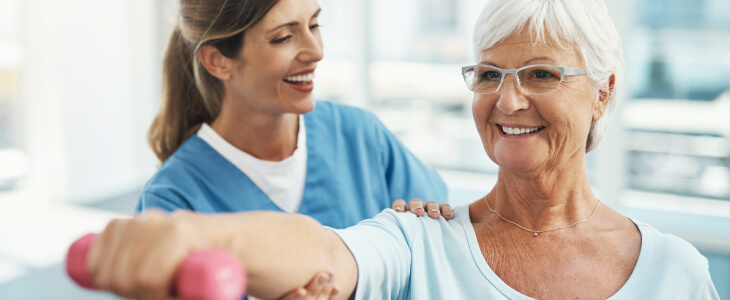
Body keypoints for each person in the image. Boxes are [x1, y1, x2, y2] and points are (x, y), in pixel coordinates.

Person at [86, 0, 720, 299]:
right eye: (488, 74)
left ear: (603, 95)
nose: (507, 101)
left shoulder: (679, 272)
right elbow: (322, 247)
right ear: (217, 61)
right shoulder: (415, 246)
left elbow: (430, 207)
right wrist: (198, 238)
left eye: (543, 74)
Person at [137, 0, 450, 298]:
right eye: (283, 37)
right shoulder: (171, 202)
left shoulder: (360, 136)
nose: (316, 51)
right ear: (218, 61)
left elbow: (441, 255)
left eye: (315, 24)